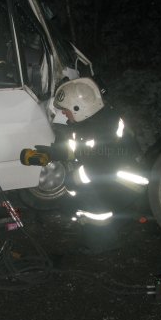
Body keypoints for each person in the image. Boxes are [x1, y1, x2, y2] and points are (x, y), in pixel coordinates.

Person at [23, 77, 147, 253]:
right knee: (78, 195)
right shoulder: (89, 124)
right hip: (114, 179)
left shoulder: (104, 128)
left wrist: (72, 183)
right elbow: (78, 151)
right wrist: (51, 153)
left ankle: (102, 242)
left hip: (129, 184)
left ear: (79, 108)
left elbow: (99, 167)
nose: (64, 114)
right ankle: (114, 224)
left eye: (66, 110)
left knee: (88, 196)